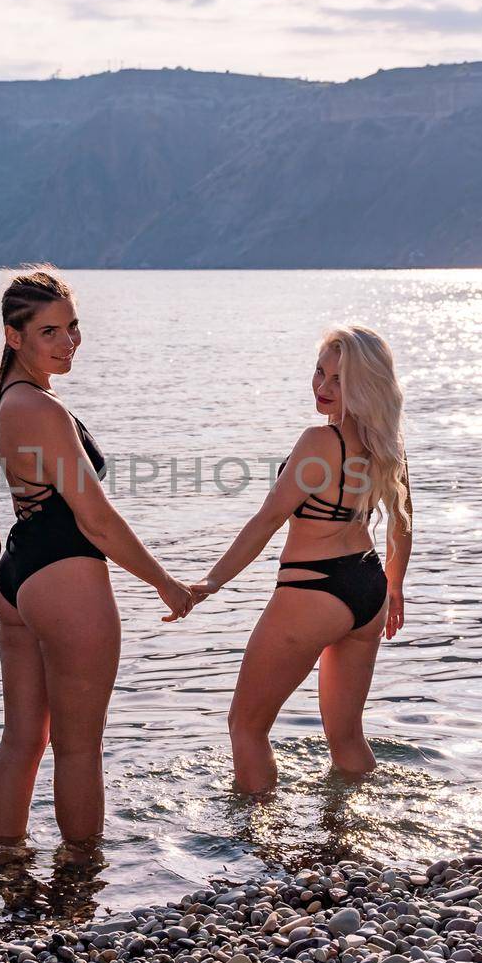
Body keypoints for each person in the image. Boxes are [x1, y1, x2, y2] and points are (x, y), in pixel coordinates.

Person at [0, 268, 196, 844]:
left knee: (22, 741)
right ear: (13, 336)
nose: (68, 341)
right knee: (78, 750)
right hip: (63, 577)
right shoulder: (42, 411)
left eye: (72, 327)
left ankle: (4, 875)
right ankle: (81, 883)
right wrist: (165, 584)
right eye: (49, 331)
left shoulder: (12, 399)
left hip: (18, 578)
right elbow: (96, 520)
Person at [191, 325, 413, 794]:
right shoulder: (386, 445)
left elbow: (268, 519)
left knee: (245, 727)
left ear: (363, 387)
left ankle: (252, 847)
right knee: (347, 737)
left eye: (339, 381)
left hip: (313, 590)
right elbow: (403, 520)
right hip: (367, 588)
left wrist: (212, 582)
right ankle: (349, 841)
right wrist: (394, 587)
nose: (323, 388)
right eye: (319, 374)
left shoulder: (318, 441)